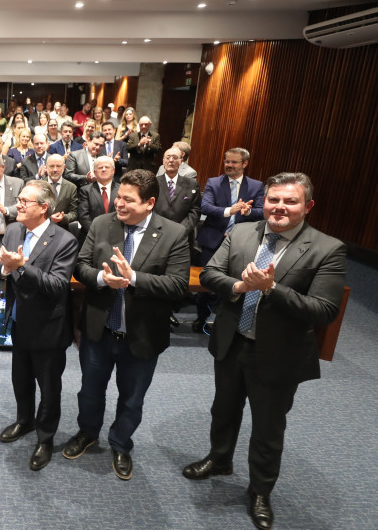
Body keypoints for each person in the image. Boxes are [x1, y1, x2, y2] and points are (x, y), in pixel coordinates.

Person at [183, 173, 346, 530]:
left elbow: (324, 310)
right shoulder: (242, 231)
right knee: (223, 409)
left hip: (278, 354)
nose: (279, 208)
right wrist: (241, 285)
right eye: (274, 200)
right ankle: (220, 459)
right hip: (232, 341)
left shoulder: (327, 248)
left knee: (267, 428)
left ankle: (260, 490)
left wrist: (272, 289)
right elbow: (209, 275)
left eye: (290, 201)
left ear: (308, 206)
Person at [67, 169, 190, 480]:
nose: (119, 204)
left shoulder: (174, 233)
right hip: (98, 331)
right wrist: (100, 278)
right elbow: (80, 266)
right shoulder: (101, 223)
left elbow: (177, 286)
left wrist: (133, 278)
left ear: (149, 203)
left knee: (132, 398)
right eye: (118, 197)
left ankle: (121, 442)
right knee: (90, 391)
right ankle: (87, 432)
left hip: (141, 335)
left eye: (127, 200)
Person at [0, 180, 80, 470]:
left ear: (43, 208)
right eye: (19, 199)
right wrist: (5, 266)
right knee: (21, 380)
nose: (18, 204)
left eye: (25, 201)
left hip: (48, 328)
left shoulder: (64, 241)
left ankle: (45, 438)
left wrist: (21, 268)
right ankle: (24, 421)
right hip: (18, 322)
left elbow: (56, 286)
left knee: (49, 387)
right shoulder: (14, 229)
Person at [194, 148, 264, 331]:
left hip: (241, 243)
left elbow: (262, 211)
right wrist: (228, 210)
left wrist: (248, 211)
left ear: (245, 164)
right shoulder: (214, 183)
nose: (229, 165)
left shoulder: (256, 186)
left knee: (233, 282)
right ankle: (201, 317)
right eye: (227, 162)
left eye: (234, 162)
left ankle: (223, 320)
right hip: (213, 240)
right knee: (206, 282)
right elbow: (205, 207)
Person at [77, 156, 118, 235]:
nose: (103, 169)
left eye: (107, 167)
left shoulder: (121, 190)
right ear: (95, 172)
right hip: (91, 235)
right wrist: (97, 234)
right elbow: (83, 216)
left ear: (113, 171)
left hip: (116, 235)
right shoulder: (85, 190)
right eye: (100, 167)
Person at [44, 154, 78, 230]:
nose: (55, 169)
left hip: (62, 230)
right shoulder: (38, 186)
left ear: (64, 167)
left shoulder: (71, 187)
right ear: (46, 167)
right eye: (51, 166)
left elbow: (74, 213)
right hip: (41, 230)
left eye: (58, 166)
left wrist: (63, 217)